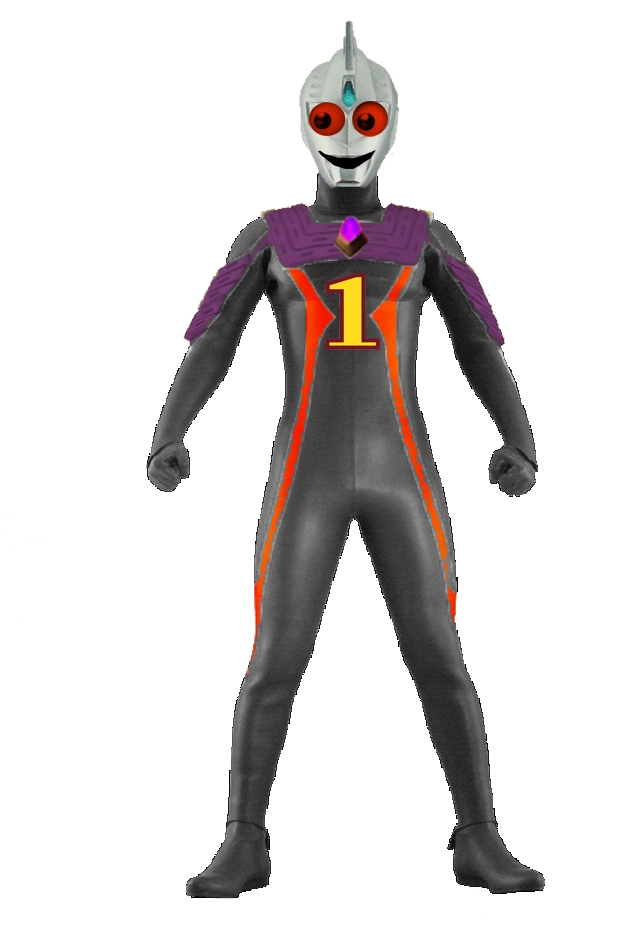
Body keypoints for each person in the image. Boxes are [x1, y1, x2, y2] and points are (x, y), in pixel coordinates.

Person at [147, 23, 542, 897]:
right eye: (331, 116)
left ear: (388, 122)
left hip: (402, 474)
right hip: (307, 477)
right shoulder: (271, 235)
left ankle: (479, 840)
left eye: (364, 117)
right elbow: (211, 339)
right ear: (305, 123)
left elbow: (480, 342)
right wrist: (171, 433)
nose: (349, 134)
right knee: (275, 659)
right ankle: (244, 844)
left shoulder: (422, 234)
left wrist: (518, 440)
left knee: (440, 654)